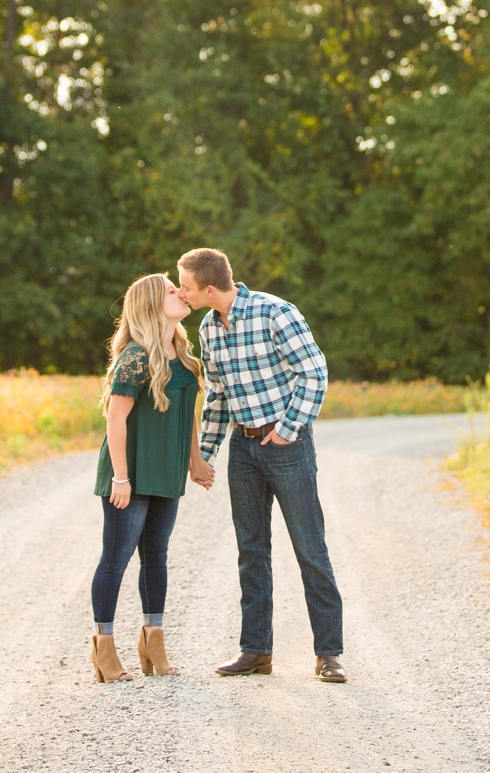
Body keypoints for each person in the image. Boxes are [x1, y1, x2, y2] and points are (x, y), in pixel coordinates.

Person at [176, 247, 348, 684]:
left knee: (310, 548)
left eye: (186, 285)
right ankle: (256, 651)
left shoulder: (275, 313)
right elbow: (217, 396)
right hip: (244, 451)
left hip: (287, 445)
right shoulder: (209, 329)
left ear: (209, 288)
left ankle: (329, 653)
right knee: (251, 551)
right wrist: (205, 456)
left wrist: (290, 428)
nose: (181, 291)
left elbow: (315, 371)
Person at [89, 272, 217, 682]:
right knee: (116, 559)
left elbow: (187, 415)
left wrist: (195, 460)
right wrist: (121, 479)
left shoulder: (182, 353)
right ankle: (103, 649)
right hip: (131, 473)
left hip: (166, 471)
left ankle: (153, 642)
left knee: (157, 558)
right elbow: (116, 419)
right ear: (149, 304)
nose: (181, 292)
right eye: (170, 290)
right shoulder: (135, 357)